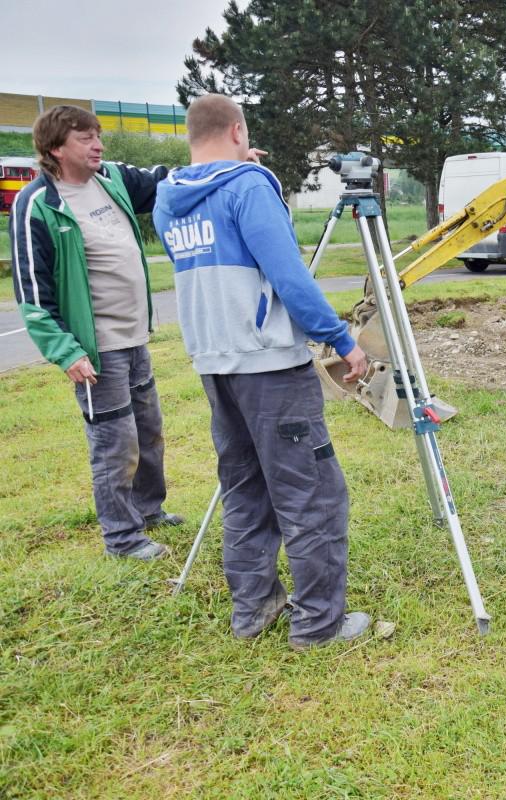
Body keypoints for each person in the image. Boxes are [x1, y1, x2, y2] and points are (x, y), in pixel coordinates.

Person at [153, 94, 371, 649]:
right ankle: (320, 625)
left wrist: (244, 169)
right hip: (269, 366)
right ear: (237, 130)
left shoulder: (169, 198)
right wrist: (343, 339)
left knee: (245, 489)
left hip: (215, 364)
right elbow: (290, 277)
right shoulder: (250, 187)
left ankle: (254, 610)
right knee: (313, 495)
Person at [10, 105, 181, 561]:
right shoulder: (38, 205)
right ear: (54, 149)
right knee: (114, 443)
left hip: (134, 339)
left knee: (148, 432)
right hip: (95, 350)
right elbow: (32, 292)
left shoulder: (113, 179)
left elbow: (170, 180)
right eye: (85, 138)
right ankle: (121, 539)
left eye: (98, 135)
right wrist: (66, 352)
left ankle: (148, 511)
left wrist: (226, 162)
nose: (98, 145)